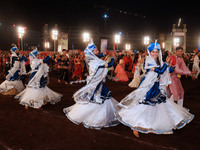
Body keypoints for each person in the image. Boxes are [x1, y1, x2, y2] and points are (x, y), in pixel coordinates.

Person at [115, 41, 194, 137]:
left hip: (155, 84)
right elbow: (160, 71)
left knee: (156, 105)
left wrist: (170, 66)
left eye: (156, 52)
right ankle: (136, 125)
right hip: (148, 86)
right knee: (145, 105)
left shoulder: (157, 61)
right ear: (149, 52)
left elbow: (166, 71)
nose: (155, 54)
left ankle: (151, 125)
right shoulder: (148, 60)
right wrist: (165, 65)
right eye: (153, 52)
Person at [63, 41, 119, 129]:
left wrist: (104, 54)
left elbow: (98, 57)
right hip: (95, 83)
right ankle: (95, 118)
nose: (97, 52)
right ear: (92, 52)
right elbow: (110, 65)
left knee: (99, 98)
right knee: (96, 99)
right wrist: (112, 58)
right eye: (96, 50)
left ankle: (99, 117)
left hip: (95, 82)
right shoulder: (94, 62)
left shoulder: (91, 59)